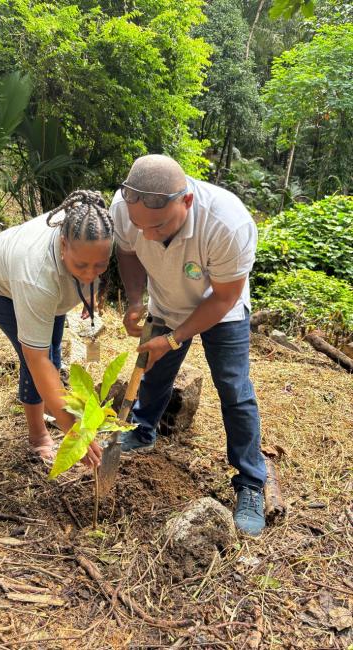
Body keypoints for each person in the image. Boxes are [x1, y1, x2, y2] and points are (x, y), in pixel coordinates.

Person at [110, 154, 267, 536]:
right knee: (152, 371)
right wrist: (135, 300)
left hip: (220, 308)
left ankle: (250, 482)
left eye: (159, 226)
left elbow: (224, 296)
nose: (147, 234)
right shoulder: (123, 208)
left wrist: (176, 338)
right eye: (138, 225)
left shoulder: (227, 223)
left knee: (233, 388)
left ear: (187, 202)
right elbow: (127, 251)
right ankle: (143, 431)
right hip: (165, 302)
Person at [0, 190, 111, 466]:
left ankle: (52, 402)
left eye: (100, 265)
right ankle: (37, 435)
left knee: (54, 348)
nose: (89, 273)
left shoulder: (95, 228)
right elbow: (36, 359)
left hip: (51, 289)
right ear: (63, 245)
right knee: (39, 358)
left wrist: (93, 290)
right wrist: (74, 433)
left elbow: (92, 265)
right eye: (81, 265)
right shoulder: (37, 278)